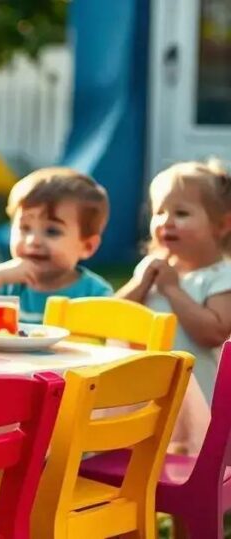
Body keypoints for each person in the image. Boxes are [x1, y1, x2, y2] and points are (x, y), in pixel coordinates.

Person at [117, 161, 231, 453]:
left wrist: (171, 290)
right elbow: (112, 318)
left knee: (187, 450)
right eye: (159, 212)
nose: (166, 221)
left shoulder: (221, 276)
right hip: (146, 388)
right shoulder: (152, 269)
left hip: (196, 392)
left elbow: (214, 331)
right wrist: (139, 285)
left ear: (222, 225)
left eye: (181, 213)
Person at [0, 168, 113, 324]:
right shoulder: (8, 285)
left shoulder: (94, 294)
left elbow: (115, 344)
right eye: (25, 228)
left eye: (52, 231)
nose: (33, 241)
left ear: (87, 246)